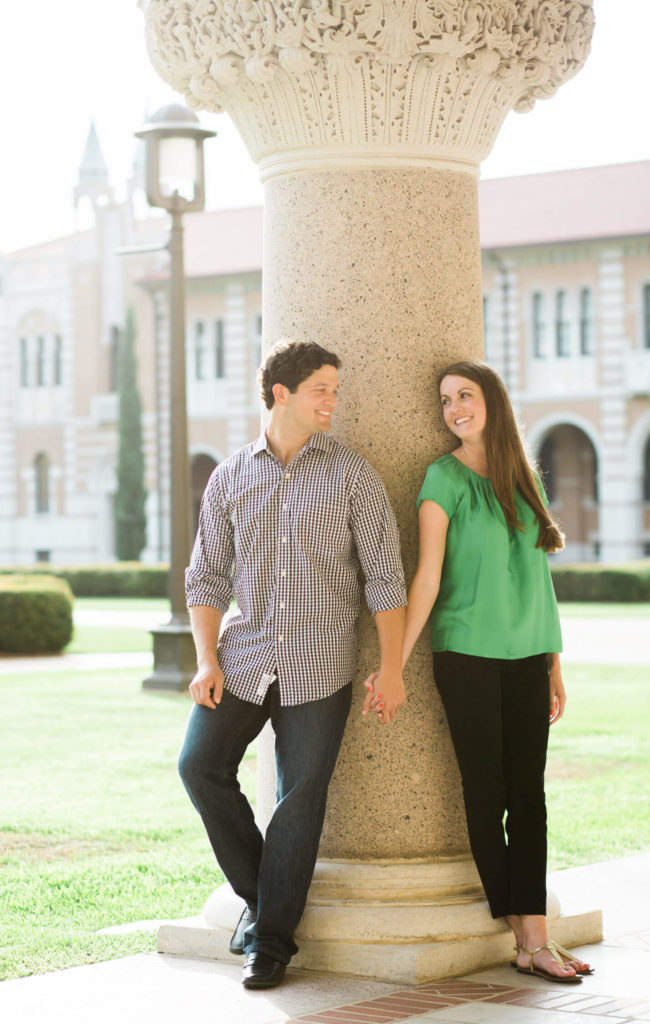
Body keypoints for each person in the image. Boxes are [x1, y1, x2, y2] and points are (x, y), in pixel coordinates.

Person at [179, 339, 407, 990]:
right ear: (282, 394)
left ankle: (271, 944)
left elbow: (385, 578)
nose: (333, 401)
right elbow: (205, 576)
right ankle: (263, 899)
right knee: (199, 767)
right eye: (322, 390)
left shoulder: (350, 473)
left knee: (298, 801)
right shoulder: (230, 475)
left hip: (320, 663)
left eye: (335, 389)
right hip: (242, 656)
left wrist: (391, 668)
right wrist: (205, 659)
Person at [365, 359, 592, 984]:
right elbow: (428, 577)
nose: (454, 408)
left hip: (528, 655)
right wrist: (394, 666)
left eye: (465, 395)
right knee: (487, 793)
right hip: (465, 654)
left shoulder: (525, 477)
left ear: (493, 400)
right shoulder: (442, 479)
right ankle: (526, 935)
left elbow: (540, 579)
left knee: (531, 797)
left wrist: (553, 663)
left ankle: (534, 935)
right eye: (445, 400)